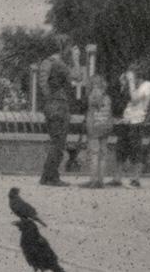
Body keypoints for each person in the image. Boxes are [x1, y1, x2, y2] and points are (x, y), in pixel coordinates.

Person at [38, 38, 80, 186]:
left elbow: (43, 86)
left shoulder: (46, 62)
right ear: (64, 48)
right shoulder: (59, 64)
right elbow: (77, 76)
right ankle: (51, 178)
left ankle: (46, 176)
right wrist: (76, 60)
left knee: (54, 142)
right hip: (60, 106)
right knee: (58, 144)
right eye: (69, 48)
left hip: (49, 106)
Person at [113, 61, 150, 187]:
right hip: (127, 120)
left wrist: (130, 83)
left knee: (136, 150)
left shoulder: (147, 85)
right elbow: (124, 101)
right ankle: (117, 178)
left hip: (137, 121)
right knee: (120, 149)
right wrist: (123, 84)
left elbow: (135, 99)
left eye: (131, 75)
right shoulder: (131, 85)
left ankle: (135, 179)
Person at [82, 73, 114, 189]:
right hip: (105, 127)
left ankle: (93, 180)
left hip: (94, 127)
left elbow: (90, 109)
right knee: (103, 154)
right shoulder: (107, 97)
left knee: (94, 153)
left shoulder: (92, 95)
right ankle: (101, 180)